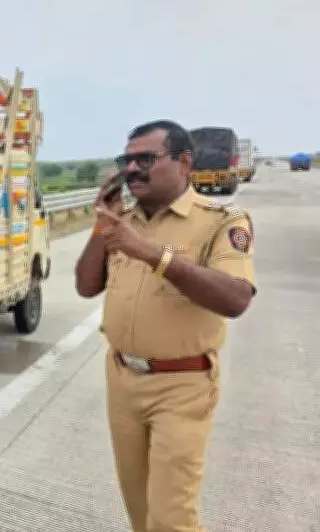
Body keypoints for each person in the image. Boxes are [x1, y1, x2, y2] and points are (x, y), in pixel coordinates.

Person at [74, 120, 256, 531]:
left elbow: (236, 298)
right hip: (123, 380)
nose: (131, 169)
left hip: (182, 386)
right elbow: (86, 286)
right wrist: (104, 224)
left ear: (184, 162)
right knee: (138, 506)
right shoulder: (124, 221)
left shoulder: (220, 220)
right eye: (126, 160)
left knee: (171, 517)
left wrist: (153, 254)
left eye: (145, 159)